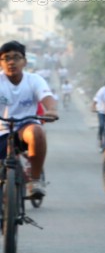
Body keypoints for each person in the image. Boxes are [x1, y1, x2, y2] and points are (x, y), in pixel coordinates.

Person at [0, 41, 58, 197]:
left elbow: (47, 98)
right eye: (6, 58)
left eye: (16, 57)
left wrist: (51, 110)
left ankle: (35, 179)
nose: (11, 62)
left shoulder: (34, 80)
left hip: (23, 129)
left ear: (24, 61)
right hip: (1, 131)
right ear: (1, 63)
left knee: (37, 131)